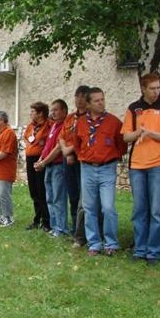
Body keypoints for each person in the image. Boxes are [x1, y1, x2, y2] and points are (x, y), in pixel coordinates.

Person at [121, 73, 160, 265]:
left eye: (158, 88)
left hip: (159, 164)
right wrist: (139, 132)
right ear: (143, 89)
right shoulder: (134, 108)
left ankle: (154, 251)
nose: (156, 91)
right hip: (137, 165)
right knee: (139, 209)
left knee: (157, 210)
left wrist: (150, 133)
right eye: (152, 88)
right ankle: (139, 249)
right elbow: (126, 137)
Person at [74, 87, 127, 256]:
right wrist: (84, 157)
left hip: (107, 168)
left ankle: (111, 243)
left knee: (108, 207)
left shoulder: (114, 122)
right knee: (89, 207)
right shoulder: (81, 122)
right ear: (88, 104)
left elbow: (122, 145)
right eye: (96, 100)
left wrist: (111, 157)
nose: (101, 103)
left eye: (102, 99)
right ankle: (94, 243)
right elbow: (77, 143)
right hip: (87, 168)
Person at [59, 86, 90, 247]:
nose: (79, 100)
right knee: (73, 196)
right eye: (77, 96)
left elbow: (84, 139)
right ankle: (74, 229)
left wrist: (70, 151)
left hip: (82, 160)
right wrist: (65, 151)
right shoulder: (70, 118)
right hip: (68, 159)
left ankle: (84, 232)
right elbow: (62, 137)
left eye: (83, 97)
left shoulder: (90, 118)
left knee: (84, 200)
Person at [35, 99, 69, 237]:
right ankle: (54, 227)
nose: (53, 113)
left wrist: (43, 162)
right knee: (49, 197)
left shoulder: (64, 126)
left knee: (58, 198)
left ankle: (61, 229)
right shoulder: (54, 125)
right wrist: (40, 159)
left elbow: (58, 148)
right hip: (49, 165)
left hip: (58, 166)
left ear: (64, 111)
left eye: (56, 110)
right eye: (52, 110)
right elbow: (48, 146)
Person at [23, 102, 52, 232]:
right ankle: (37, 218)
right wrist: (30, 146)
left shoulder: (48, 125)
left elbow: (49, 141)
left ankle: (46, 221)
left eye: (33, 111)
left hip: (41, 159)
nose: (30, 114)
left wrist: (39, 148)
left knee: (41, 190)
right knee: (33, 190)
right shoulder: (31, 126)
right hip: (30, 159)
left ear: (40, 113)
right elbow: (26, 137)